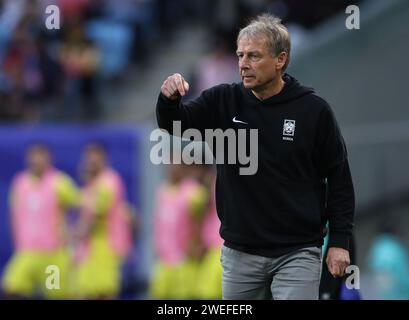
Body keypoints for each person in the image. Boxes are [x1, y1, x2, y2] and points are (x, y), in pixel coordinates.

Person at [156, 14, 355, 300]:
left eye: (254, 56)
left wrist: (339, 241)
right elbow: (174, 123)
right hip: (240, 254)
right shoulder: (222, 100)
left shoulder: (314, 111)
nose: (243, 64)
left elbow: (339, 178)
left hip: (297, 252)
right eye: (240, 55)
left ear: (280, 60)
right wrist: (169, 99)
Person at [2, 143, 79, 299]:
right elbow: (14, 213)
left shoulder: (60, 182)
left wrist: (72, 233)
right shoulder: (20, 182)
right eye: (33, 156)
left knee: (56, 294)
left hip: (52, 254)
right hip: (26, 251)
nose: (36, 161)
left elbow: (81, 206)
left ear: (48, 159)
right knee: (11, 288)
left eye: (41, 156)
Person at [72, 143, 133, 299]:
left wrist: (76, 236)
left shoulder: (108, 182)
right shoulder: (92, 184)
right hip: (91, 247)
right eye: (89, 160)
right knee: (87, 292)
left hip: (106, 246)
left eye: (95, 160)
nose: (91, 164)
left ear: (104, 159)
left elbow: (94, 215)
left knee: (103, 293)